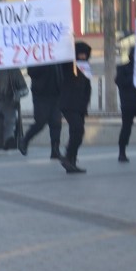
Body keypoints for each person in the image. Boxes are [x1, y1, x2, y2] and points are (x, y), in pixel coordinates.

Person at [59, 42, 93, 174]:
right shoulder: (68, 65)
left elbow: (87, 86)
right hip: (69, 104)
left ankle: (71, 161)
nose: (83, 56)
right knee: (78, 130)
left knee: (77, 133)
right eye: (80, 54)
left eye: (85, 54)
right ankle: (67, 157)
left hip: (80, 106)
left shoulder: (86, 67)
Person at [18, 64, 64, 159]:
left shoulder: (57, 54)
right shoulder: (38, 56)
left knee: (56, 123)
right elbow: (31, 72)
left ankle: (55, 150)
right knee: (40, 121)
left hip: (56, 93)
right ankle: (25, 140)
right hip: (41, 95)